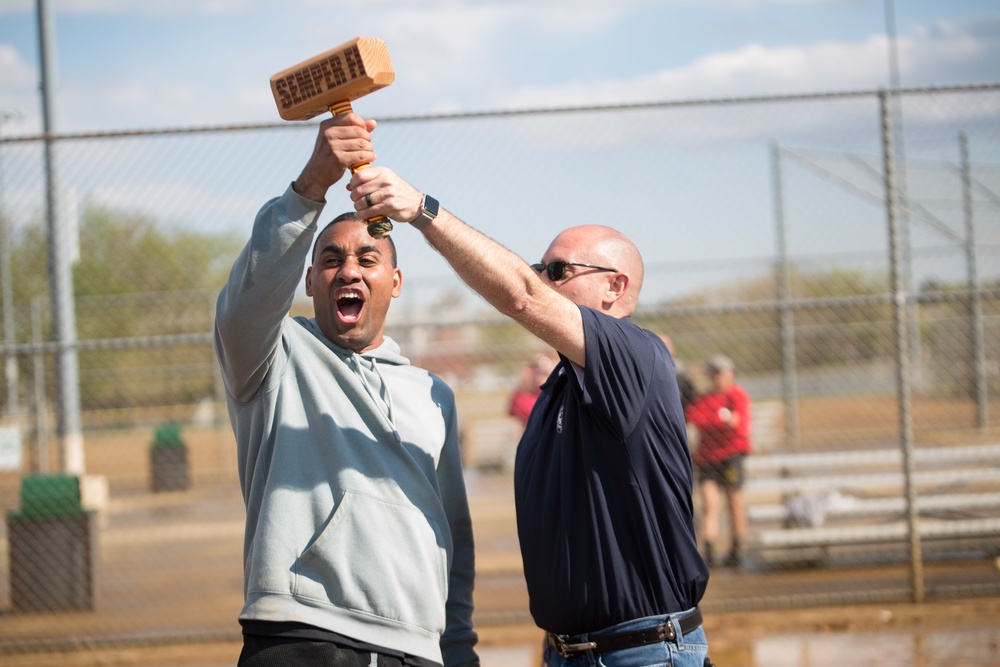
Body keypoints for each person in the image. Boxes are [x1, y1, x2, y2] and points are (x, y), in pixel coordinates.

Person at [346, 147, 711, 666]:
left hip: (644, 651)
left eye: (559, 269)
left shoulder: (636, 355)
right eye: (541, 268)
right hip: (567, 651)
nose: (543, 280)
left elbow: (521, 296)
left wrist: (422, 211)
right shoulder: (559, 386)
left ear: (616, 287)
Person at [214, 114, 479, 667]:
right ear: (309, 280)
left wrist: (457, 648)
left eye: (367, 258)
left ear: (396, 283)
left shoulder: (434, 394)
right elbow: (246, 304)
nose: (348, 271)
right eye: (330, 260)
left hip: (416, 649)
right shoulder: (274, 356)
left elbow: (450, 532)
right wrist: (312, 184)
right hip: (303, 635)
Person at [685, 354, 753, 568]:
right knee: (710, 503)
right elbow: (695, 418)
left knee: (734, 501)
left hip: (731, 456)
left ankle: (737, 548)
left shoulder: (737, 395)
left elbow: (738, 426)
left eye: (721, 373)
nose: (717, 378)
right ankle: (710, 550)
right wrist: (721, 419)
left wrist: (717, 420)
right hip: (707, 458)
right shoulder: (705, 398)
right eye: (713, 374)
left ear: (730, 374)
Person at [508, 352, 556, 427]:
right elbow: (516, 410)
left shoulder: (557, 391)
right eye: (535, 370)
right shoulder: (523, 395)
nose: (539, 375)